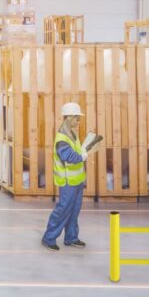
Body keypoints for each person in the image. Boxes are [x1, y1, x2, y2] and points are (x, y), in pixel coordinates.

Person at [41, 102, 98, 251]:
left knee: (74, 210)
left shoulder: (72, 134)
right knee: (63, 210)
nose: (79, 121)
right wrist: (85, 154)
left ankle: (71, 237)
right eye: (77, 118)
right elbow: (69, 156)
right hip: (67, 182)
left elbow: (77, 151)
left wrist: (87, 148)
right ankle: (49, 238)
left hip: (77, 180)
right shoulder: (62, 138)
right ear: (68, 118)